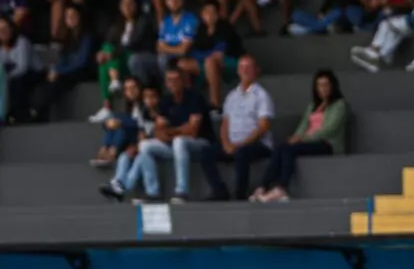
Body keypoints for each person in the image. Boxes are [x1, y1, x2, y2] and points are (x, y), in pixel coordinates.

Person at [254, 69, 347, 202]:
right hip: (308, 141)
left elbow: (329, 130)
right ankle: (263, 186)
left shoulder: (339, 105)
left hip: (327, 143)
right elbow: (303, 126)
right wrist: (295, 137)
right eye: (319, 85)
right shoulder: (312, 106)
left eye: (326, 85)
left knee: (288, 149)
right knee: (282, 146)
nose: (323, 88)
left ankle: (282, 188)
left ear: (333, 86)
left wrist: (302, 139)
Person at [133, 65, 215, 203]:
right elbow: (158, 131)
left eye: (176, 80)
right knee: (145, 145)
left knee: (179, 141)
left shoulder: (195, 98)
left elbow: (193, 131)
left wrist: (171, 132)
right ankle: (152, 192)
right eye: (169, 80)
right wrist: (179, 130)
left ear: (183, 80)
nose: (172, 83)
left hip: (201, 144)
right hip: (176, 146)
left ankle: (182, 191)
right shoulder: (166, 101)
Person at [207, 55, 274, 200]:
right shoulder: (231, 96)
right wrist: (226, 143)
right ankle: (220, 191)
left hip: (257, 144)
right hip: (233, 144)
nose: (245, 71)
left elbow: (263, 126)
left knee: (242, 153)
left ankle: (240, 194)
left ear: (256, 71)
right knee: (206, 152)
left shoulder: (262, 95)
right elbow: (225, 123)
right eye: (242, 67)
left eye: (248, 67)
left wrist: (242, 144)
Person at [89, 0, 157, 123]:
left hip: (137, 56)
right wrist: (102, 54)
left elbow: (134, 43)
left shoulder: (143, 21)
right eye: (123, 3)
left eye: (130, 3)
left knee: (112, 55)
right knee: (104, 57)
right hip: (120, 62)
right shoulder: (117, 25)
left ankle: (115, 83)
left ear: (136, 5)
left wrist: (112, 54)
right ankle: (107, 106)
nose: (126, 6)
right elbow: (108, 44)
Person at [99, 83, 162, 202]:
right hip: (143, 145)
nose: (149, 100)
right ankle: (117, 182)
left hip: (159, 145)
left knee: (140, 157)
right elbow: (141, 131)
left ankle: (122, 188)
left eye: (152, 97)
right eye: (147, 98)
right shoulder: (139, 111)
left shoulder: (161, 111)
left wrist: (139, 145)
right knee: (124, 156)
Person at [29, 3, 92, 122]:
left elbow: (81, 62)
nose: (71, 19)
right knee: (42, 81)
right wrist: (54, 68)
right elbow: (60, 60)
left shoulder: (86, 37)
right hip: (65, 71)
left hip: (79, 72)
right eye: (68, 16)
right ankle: (35, 111)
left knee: (58, 83)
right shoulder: (64, 38)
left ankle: (36, 111)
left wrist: (59, 71)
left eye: (73, 15)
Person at [178, 0, 242, 108]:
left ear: (218, 14)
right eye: (206, 12)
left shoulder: (225, 27)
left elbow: (219, 53)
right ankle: (186, 101)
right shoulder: (200, 29)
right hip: (206, 62)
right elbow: (194, 52)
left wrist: (204, 56)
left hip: (230, 62)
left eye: (212, 12)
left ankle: (215, 103)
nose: (209, 15)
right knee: (182, 64)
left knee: (210, 62)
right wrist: (204, 55)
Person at [90, 75, 141, 168]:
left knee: (121, 124)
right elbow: (115, 120)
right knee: (114, 122)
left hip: (139, 136)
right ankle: (105, 148)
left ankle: (112, 152)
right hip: (127, 134)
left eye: (133, 87)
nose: (131, 91)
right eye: (127, 89)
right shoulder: (126, 105)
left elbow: (141, 124)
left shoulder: (143, 104)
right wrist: (108, 123)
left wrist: (120, 122)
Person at [0, 15, 39, 124]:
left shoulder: (21, 41)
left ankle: (20, 115)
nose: (3, 32)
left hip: (33, 72)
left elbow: (23, 67)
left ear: (11, 29)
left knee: (17, 81)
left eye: (5, 28)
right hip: (12, 73)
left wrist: (6, 78)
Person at [155, 0, 198, 77]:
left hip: (186, 59)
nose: (173, 1)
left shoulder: (190, 20)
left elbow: (183, 50)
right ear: (166, 1)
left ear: (182, 0)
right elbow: (159, 47)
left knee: (164, 59)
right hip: (167, 60)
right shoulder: (165, 21)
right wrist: (174, 49)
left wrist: (167, 49)